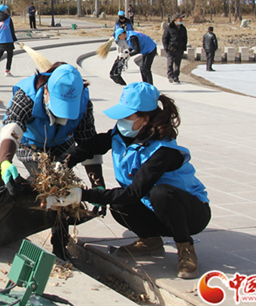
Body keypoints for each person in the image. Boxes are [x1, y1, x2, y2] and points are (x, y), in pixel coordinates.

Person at [62, 82, 210, 279]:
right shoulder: (121, 135)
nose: (121, 120)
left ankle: (185, 248)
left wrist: (83, 194)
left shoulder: (163, 151)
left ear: (145, 119)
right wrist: (65, 161)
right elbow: (93, 145)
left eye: (127, 116)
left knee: (160, 193)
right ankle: (150, 241)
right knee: (118, 204)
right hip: (154, 209)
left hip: (189, 212)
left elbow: (134, 193)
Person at [0, 63, 104, 260]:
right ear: (46, 90)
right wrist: (5, 162)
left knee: (64, 186)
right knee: (45, 181)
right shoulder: (27, 94)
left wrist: (98, 185)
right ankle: (15, 228)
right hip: (30, 144)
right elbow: (11, 128)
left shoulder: (83, 102)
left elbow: (88, 143)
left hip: (62, 143)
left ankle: (60, 243)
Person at [0, 4, 18, 76]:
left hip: (0, 40)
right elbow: (11, 30)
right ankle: (7, 71)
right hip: (8, 40)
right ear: (4, 10)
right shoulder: (9, 19)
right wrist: (15, 39)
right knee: (9, 56)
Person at [162, 13, 188, 84]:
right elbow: (165, 38)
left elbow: (185, 39)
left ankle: (176, 77)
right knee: (170, 63)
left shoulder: (183, 28)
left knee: (177, 64)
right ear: (175, 20)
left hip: (179, 49)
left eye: (181, 19)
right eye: (180, 19)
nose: (181, 20)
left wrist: (183, 47)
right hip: (171, 49)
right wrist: (166, 48)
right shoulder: (169, 28)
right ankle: (170, 76)